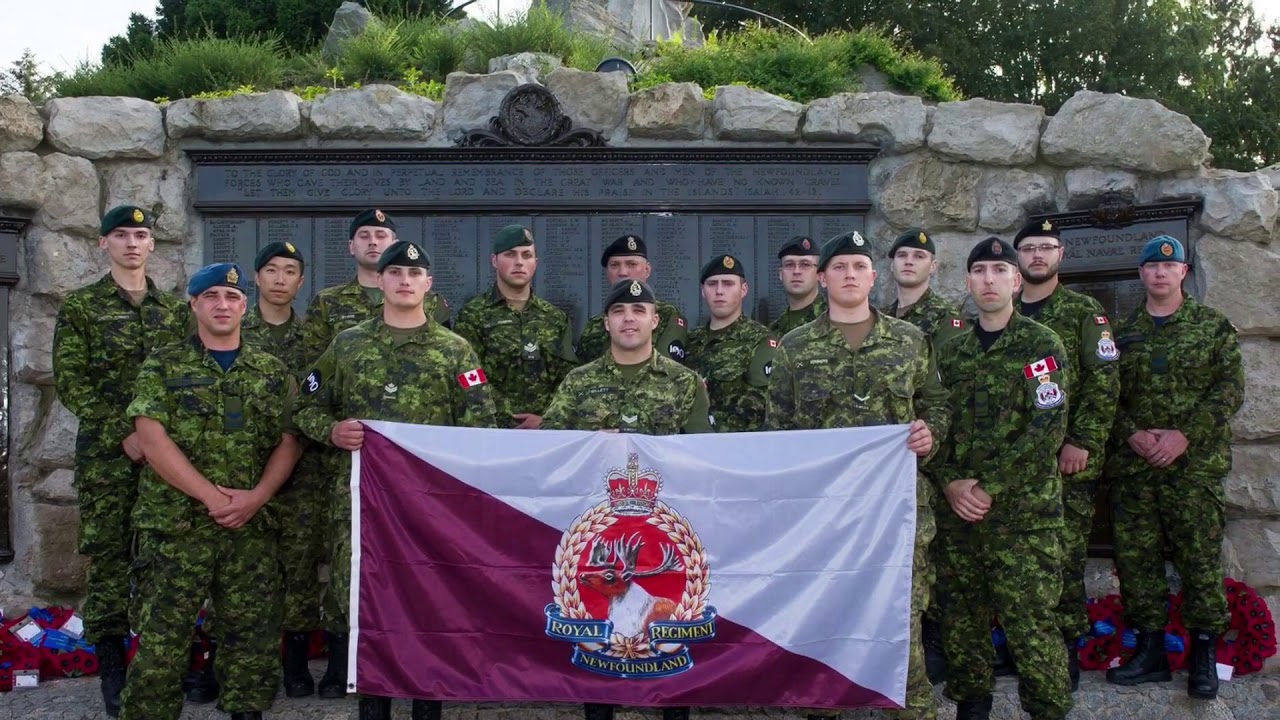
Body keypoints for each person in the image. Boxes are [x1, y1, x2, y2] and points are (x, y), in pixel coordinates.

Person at [294, 240, 498, 720]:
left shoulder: (456, 351)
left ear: (428, 285)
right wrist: (330, 429)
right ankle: (374, 703)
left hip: (432, 508)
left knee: (432, 599)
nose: (405, 281)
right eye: (395, 273)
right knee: (368, 600)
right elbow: (305, 404)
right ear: (380, 282)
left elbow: (481, 425)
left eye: (415, 274)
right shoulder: (347, 345)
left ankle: (429, 702)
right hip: (363, 505)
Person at [764, 231, 950, 720]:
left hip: (895, 514)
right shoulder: (795, 347)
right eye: (840, 267)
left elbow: (936, 405)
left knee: (900, 627)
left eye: (859, 266)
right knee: (823, 622)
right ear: (822, 279)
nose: (850, 274)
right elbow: (777, 430)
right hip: (824, 518)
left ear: (873, 276)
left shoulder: (910, 341)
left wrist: (930, 434)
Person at [119, 263, 301, 720]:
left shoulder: (272, 371)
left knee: (252, 634)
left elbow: (289, 440)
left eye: (233, 298)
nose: (223, 305)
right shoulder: (163, 364)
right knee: (163, 636)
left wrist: (257, 496)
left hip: (251, 525)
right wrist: (211, 497)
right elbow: (151, 438)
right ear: (194, 304)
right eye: (212, 296)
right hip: (176, 525)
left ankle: (246, 711)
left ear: (245, 306)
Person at [542, 278, 712, 720]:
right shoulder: (579, 383)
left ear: (655, 320)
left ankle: (675, 708)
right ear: (606, 323)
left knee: (670, 622)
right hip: (598, 531)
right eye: (619, 312)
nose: (629, 319)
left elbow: (702, 453)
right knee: (600, 622)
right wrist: (588, 444)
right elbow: (550, 448)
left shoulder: (685, 383)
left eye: (638, 311)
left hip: (664, 531)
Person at [51, 205, 191, 717]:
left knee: (163, 555)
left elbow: (182, 380)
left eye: (141, 235)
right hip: (109, 457)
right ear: (103, 244)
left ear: (152, 245)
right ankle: (113, 668)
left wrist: (155, 438)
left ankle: (159, 664)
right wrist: (125, 432)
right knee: (110, 558)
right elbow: (72, 382)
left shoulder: (174, 312)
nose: (132, 243)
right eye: (122, 235)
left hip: (166, 457)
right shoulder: (83, 307)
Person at [932, 237, 1072, 720]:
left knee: (1031, 627)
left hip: (1022, 518)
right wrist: (951, 483)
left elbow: (1046, 428)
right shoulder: (951, 354)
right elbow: (938, 428)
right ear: (967, 283)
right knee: (962, 624)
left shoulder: (1041, 344)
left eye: (999, 270)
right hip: (960, 518)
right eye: (979, 272)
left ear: (1016, 280)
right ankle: (972, 707)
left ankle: (1049, 710)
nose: (988, 280)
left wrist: (988, 486)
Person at [1103, 236, 1243, 700]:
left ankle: (1204, 651)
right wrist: (1132, 434)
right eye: (1151, 267)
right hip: (1136, 470)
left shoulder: (1212, 327)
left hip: (1193, 468)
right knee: (1137, 563)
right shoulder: (1121, 335)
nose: (1160, 274)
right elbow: (1106, 397)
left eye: (1170, 266)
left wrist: (1185, 435)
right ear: (1141, 274)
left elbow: (1228, 391)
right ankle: (1150, 651)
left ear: (1183, 272)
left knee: (1199, 561)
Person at [1012, 218, 1120, 690]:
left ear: (1061, 255)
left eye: (1046, 248)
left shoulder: (1084, 312)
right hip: (1011, 465)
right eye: (1029, 248)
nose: (1037, 255)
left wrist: (1083, 441)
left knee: (1064, 557)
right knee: (1016, 559)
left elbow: (1104, 382)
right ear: (1017, 259)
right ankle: (1023, 650)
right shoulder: (1001, 312)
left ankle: (1065, 652)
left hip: (1064, 462)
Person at [299, 208, 399, 698]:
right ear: (352, 247)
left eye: (383, 235)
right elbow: (311, 389)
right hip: (348, 469)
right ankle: (342, 665)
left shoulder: (441, 320)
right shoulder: (330, 308)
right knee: (346, 564)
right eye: (366, 235)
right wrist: (331, 429)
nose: (375, 242)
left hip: (410, 480)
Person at [879, 227, 966, 683]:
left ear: (933, 266)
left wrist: (941, 458)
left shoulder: (947, 322)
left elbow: (948, 397)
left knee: (935, 564)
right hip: (893, 468)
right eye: (902, 256)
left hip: (935, 459)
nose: (909, 262)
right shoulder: (882, 319)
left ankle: (935, 645)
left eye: (919, 256)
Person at [454, 224, 578, 429]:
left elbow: (569, 377)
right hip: (492, 428)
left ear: (535, 263)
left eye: (526, 255)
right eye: (510, 255)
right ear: (494, 260)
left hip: (545, 431)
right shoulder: (473, 315)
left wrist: (546, 419)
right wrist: (506, 415)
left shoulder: (555, 318)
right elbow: (467, 375)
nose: (519, 262)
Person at [687, 254, 777, 432]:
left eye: (728, 284)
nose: (719, 291)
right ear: (703, 291)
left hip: (736, 446)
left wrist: (707, 430)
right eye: (712, 284)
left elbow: (760, 401)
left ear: (744, 289)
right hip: (689, 445)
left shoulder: (760, 340)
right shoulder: (690, 341)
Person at [575, 235, 690, 364]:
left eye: (631, 264)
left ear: (647, 270)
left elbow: (668, 370)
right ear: (607, 273)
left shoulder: (667, 315)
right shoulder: (593, 326)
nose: (623, 272)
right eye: (614, 265)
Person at [770, 235, 826, 336]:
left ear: (819, 274)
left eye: (805, 265)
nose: (796, 271)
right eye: (789, 265)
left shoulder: (835, 321)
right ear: (780, 274)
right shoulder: (774, 330)